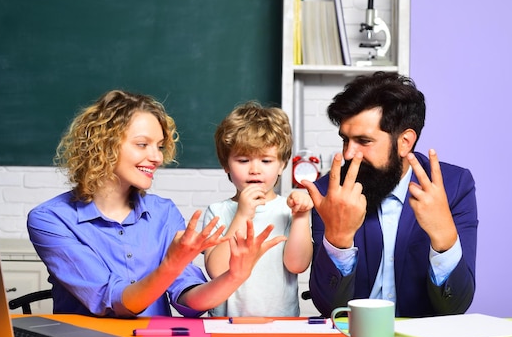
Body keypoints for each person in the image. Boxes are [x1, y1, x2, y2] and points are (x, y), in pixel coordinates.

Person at [27, 90, 285, 318]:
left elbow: (188, 298)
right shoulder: (50, 219)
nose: (157, 157)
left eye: (160, 146)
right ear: (104, 146)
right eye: (143, 144)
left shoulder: (164, 212)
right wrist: (172, 263)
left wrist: (235, 276)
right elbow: (112, 300)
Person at [300, 72, 477, 318]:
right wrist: (338, 239)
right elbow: (328, 308)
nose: (349, 154)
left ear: (405, 141)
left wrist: (444, 238)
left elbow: (455, 306)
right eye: (345, 140)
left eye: (363, 141)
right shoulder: (330, 193)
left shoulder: (455, 187)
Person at [203, 101, 313, 317]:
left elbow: (297, 265)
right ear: (226, 164)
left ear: (282, 164)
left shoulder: (287, 209)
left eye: (266, 160)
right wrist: (243, 214)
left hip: (280, 324)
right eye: (243, 160)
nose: (255, 170)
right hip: (226, 324)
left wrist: (301, 217)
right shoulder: (217, 211)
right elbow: (217, 270)